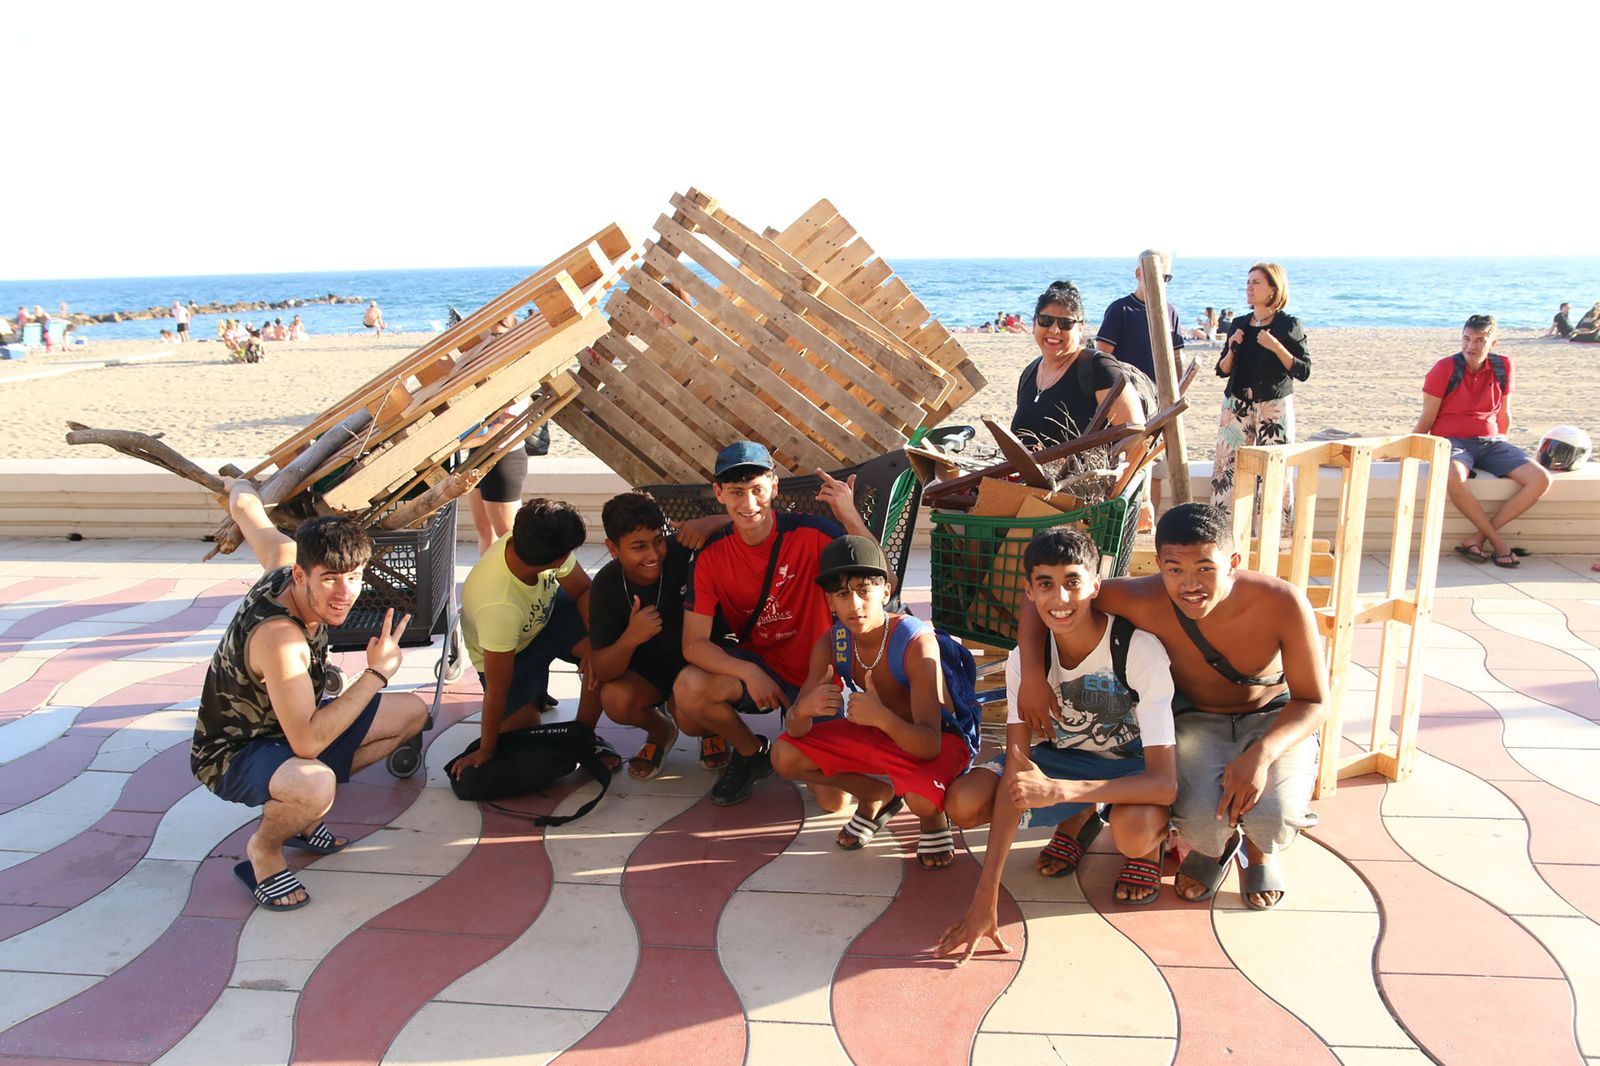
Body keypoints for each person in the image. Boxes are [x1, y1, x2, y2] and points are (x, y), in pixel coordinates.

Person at [1014, 503, 1328, 909]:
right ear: (1159, 564)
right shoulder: (1144, 598)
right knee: (1199, 822)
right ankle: (1211, 848)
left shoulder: (1282, 602)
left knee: (1272, 816)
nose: (1190, 585)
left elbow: (1315, 700)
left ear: (1233, 562)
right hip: (1197, 718)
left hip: (1272, 716)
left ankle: (1259, 851)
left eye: (1205, 568)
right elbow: (1045, 594)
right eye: (1175, 569)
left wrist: (1262, 755)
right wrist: (1033, 675)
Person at [938, 528, 1177, 960]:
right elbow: (1018, 769)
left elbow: (1164, 783)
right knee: (964, 802)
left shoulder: (1138, 650)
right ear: (1029, 591)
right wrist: (985, 897)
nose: (1060, 598)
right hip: (1064, 760)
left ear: (1095, 585)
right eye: (1045, 584)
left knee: (1134, 833)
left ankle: (1147, 845)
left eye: (1072, 581)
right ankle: (1080, 818)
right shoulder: (1024, 661)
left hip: (1131, 767)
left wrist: (1061, 792)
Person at [191, 480, 428, 911]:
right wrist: (376, 673)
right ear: (302, 575)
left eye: (354, 578)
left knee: (413, 713)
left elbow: (248, 511)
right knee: (316, 785)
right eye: (331, 580)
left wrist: (237, 485)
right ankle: (265, 849)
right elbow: (307, 743)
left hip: (290, 721)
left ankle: (301, 815)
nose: (344, 594)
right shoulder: (281, 639)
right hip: (234, 751)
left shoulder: (283, 559)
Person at [672, 441, 873, 806]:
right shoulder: (710, 556)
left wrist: (849, 515)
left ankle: (805, 738)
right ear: (719, 493)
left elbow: (880, 581)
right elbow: (693, 644)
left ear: (774, 488)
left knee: (834, 801)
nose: (748, 504)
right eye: (736, 492)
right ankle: (751, 753)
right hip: (761, 664)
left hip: (818, 673)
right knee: (688, 688)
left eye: (757, 491)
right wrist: (748, 673)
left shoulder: (812, 533)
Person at [772, 535, 975, 869]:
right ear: (829, 602)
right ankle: (873, 794)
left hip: (936, 739)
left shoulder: (915, 642)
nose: (854, 605)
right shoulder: (833, 643)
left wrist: (881, 718)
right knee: (784, 755)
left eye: (864, 591)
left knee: (921, 800)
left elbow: (930, 744)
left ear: (885, 592)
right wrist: (803, 709)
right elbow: (794, 728)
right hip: (882, 732)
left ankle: (933, 819)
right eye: (842, 594)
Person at [451, 499, 612, 779]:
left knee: (607, 659)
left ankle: (582, 737)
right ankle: (534, 692)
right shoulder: (498, 606)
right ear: (560, 558)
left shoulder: (531, 536)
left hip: (547, 615)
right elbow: (497, 690)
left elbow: (584, 591)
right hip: (510, 652)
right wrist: (487, 749)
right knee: (521, 737)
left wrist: (597, 645)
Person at [588, 493, 728, 780]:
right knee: (614, 698)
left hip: (698, 661)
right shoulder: (605, 584)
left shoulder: (682, 551)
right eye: (638, 547)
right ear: (612, 548)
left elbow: (759, 526)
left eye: (658, 541)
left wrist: (710, 522)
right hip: (649, 669)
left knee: (690, 717)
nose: (653, 555)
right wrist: (631, 637)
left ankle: (711, 729)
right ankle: (660, 731)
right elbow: (602, 668)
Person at [1414, 314, 1551, 567]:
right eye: (1466, 339)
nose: (1471, 346)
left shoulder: (1503, 366)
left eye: (1479, 340)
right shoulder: (1445, 368)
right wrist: (1410, 449)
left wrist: (1504, 445)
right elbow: (1427, 418)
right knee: (1453, 477)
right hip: (1452, 441)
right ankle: (1498, 543)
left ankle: (1477, 538)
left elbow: (1504, 412)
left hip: (1491, 442)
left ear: (1493, 342)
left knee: (1541, 479)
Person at [1210, 262, 1311, 535]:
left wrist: (1276, 347)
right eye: (1248, 282)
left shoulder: (1288, 325)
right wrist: (1233, 347)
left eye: (1256, 283)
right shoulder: (1239, 324)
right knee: (1226, 469)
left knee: (1276, 472)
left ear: (1273, 290)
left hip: (1273, 407)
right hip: (1237, 406)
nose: (1249, 288)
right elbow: (1222, 369)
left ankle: (1274, 536)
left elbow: (1303, 370)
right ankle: (1225, 535)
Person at [1011, 280, 1145, 453]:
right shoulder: (1030, 372)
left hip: (1086, 479)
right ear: (1034, 323)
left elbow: (1136, 434)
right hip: (1027, 480)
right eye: (1046, 320)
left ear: (1081, 327)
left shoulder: (1099, 368)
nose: (1054, 330)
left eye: (1065, 323)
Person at [1095, 249, 1186, 383]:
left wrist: (1177, 390)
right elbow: (1103, 358)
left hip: (1161, 394)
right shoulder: (1121, 310)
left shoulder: (1170, 312)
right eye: (1156, 276)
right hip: (1126, 390)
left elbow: (1176, 358)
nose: (1162, 283)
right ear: (1139, 274)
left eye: (1166, 278)